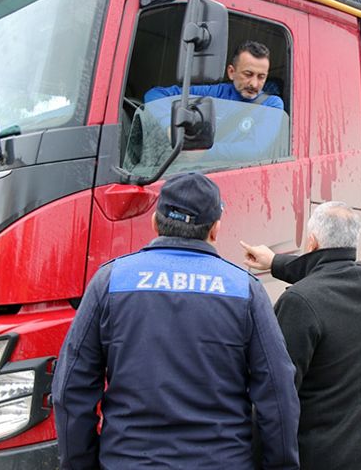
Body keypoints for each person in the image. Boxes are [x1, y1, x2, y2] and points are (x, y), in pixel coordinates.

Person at [52, 172, 300, 470]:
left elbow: (71, 387)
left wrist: (80, 463)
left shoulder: (110, 281)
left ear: (154, 223)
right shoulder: (245, 290)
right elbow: (277, 391)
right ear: (215, 229)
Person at [241, 201, 361, 470]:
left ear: (312, 242)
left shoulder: (299, 302)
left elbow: (277, 395)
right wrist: (274, 262)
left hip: (315, 460)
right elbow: (328, 267)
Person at [144, 40, 284, 110]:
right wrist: (168, 124)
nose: (254, 84)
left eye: (261, 77)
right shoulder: (216, 93)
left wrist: (199, 150)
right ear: (231, 72)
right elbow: (154, 95)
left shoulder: (271, 104)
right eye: (248, 74)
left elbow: (254, 148)